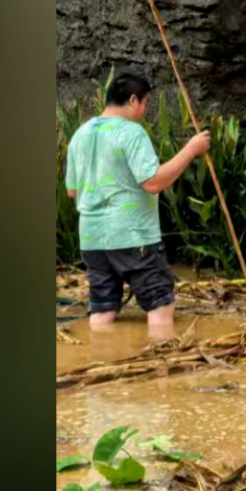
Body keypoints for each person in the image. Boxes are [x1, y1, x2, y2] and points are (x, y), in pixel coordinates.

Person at [65, 73, 211, 331]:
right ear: (133, 100)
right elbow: (153, 182)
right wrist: (191, 149)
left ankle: (101, 360)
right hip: (133, 237)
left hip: (92, 240)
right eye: (145, 103)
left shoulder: (81, 134)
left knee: (103, 309)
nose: (144, 110)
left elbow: (73, 192)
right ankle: (162, 364)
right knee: (160, 304)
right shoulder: (132, 133)